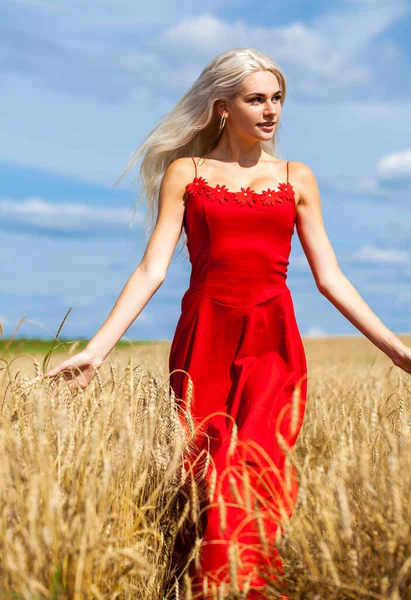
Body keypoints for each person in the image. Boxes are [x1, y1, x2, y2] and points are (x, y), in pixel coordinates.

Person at [42, 47, 411, 598]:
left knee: (250, 468)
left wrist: (397, 350)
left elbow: (331, 278)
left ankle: (238, 588)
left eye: (278, 98)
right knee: (205, 475)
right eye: (256, 98)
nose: (271, 110)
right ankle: (205, 582)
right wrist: (96, 351)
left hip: (273, 343)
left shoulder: (297, 177)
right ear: (222, 107)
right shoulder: (186, 174)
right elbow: (152, 269)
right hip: (204, 341)